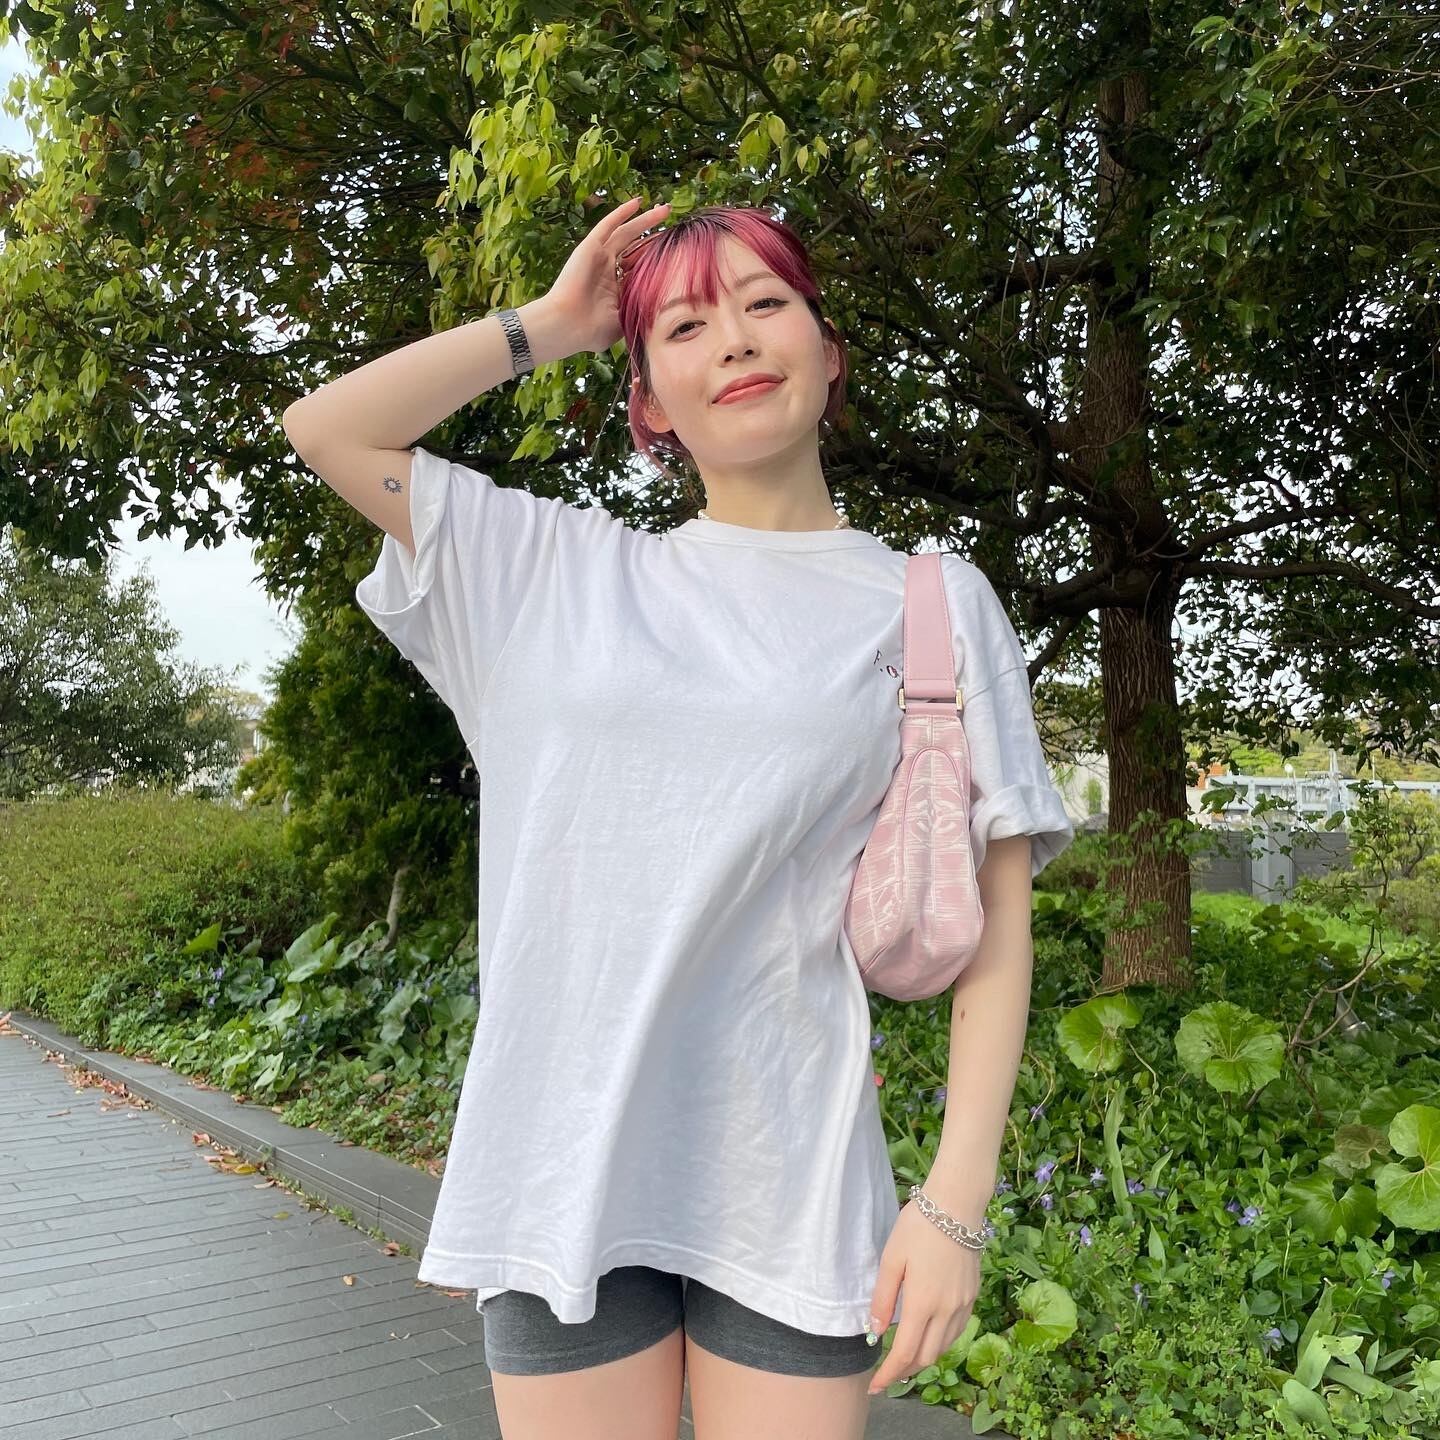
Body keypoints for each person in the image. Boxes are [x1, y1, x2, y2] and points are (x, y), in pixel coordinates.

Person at [281, 197, 1075, 1440]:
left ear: (827, 350)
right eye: (688, 326)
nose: (737, 340)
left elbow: (998, 924)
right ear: (647, 399)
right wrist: (550, 326)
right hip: (557, 1170)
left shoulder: (931, 602)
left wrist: (953, 1203)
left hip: (787, 1173)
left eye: (766, 304)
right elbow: (328, 428)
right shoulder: (548, 572)